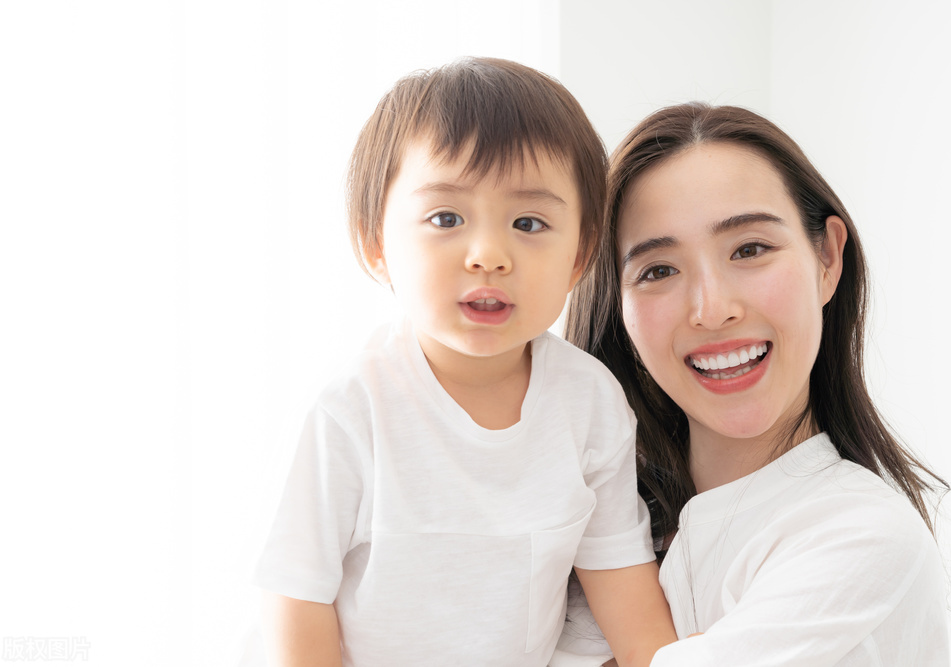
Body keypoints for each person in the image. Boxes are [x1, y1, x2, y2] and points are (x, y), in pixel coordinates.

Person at [252, 58, 676, 667]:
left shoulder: (590, 403)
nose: (488, 255)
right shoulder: (354, 409)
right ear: (377, 244)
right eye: (446, 218)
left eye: (529, 223)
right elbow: (296, 596)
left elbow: (625, 588)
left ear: (580, 254)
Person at [559, 102, 949, 665]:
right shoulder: (594, 534)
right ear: (617, 308)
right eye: (658, 270)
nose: (712, 310)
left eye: (750, 249)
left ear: (828, 258)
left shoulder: (863, 536)